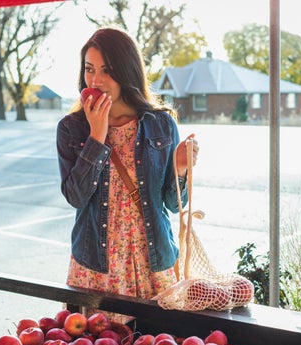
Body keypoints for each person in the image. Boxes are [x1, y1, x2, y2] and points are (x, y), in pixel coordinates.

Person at [56, 27, 199, 319]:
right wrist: (96, 136)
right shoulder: (72, 128)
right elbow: (76, 197)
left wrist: (181, 168)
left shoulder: (161, 123)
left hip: (152, 262)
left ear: (126, 70)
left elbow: (173, 204)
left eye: (107, 70)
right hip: (98, 266)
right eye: (89, 69)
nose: (95, 80)